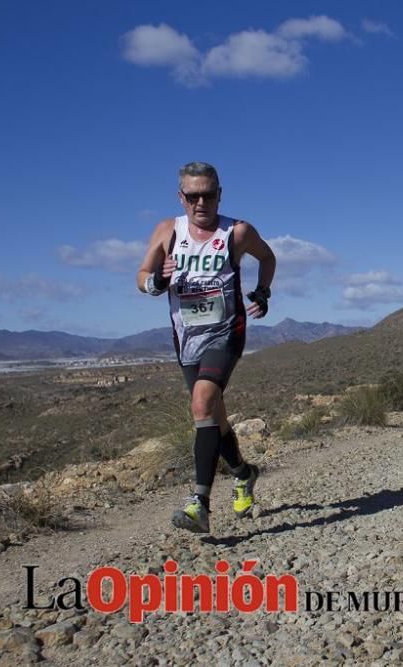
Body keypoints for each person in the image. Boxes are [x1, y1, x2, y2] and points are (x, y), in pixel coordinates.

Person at [136, 161, 276, 534]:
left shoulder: (237, 231)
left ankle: (200, 503)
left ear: (219, 194)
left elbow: (268, 257)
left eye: (208, 194)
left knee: (201, 403)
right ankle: (244, 474)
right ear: (181, 197)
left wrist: (263, 292)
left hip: (226, 332)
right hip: (187, 339)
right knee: (214, 415)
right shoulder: (168, 231)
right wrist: (156, 282)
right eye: (193, 196)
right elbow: (141, 277)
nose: (201, 202)